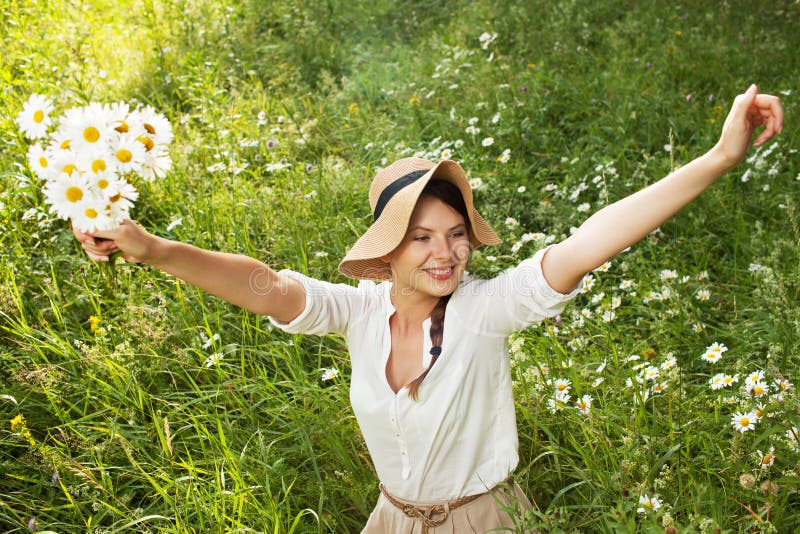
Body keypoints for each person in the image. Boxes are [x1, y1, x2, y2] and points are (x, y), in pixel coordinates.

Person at [75, 84, 782, 532]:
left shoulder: (485, 310)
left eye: (456, 236)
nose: (446, 254)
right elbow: (263, 285)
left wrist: (719, 157)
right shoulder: (355, 312)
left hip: (486, 523)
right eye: (421, 239)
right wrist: (155, 249)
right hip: (391, 520)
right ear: (385, 254)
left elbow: (589, 240)